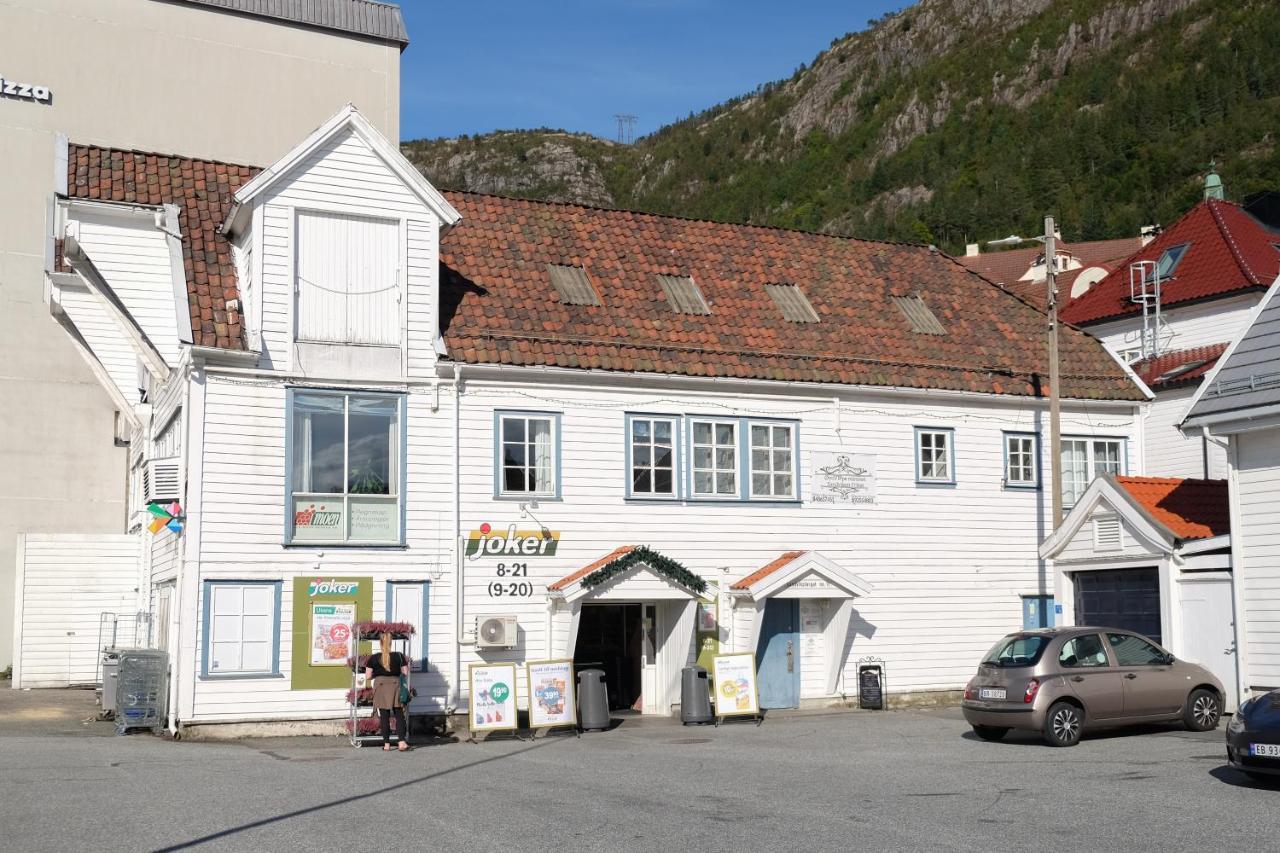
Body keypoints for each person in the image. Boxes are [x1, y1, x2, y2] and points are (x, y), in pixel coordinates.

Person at [364, 633, 410, 752]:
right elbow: (405, 672)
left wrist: (378, 674)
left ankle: (387, 745)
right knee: (399, 715)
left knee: (384, 716)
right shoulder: (399, 656)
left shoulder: (373, 658)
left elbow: (368, 676)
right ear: (391, 642)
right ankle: (401, 742)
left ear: (380, 643)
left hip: (380, 686)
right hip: (395, 686)